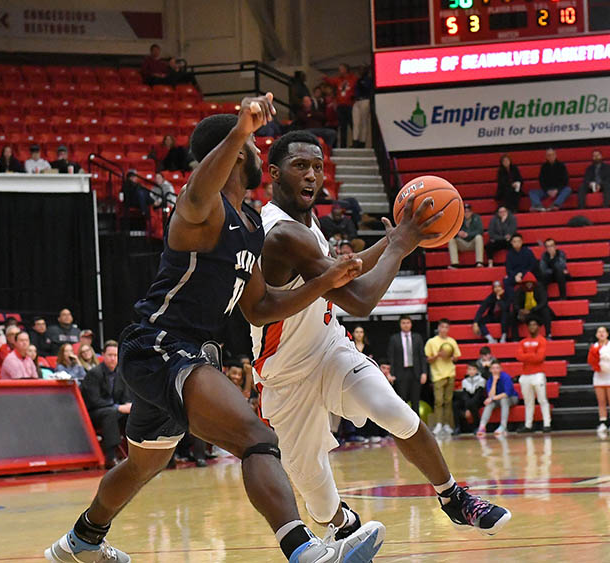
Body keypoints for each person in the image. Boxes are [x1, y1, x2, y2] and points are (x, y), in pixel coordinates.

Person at [45, 100, 379, 563]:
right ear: (239, 153)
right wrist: (242, 128)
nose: (262, 152)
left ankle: (80, 541)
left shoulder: (250, 226)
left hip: (183, 357)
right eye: (255, 146)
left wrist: (324, 282)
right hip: (160, 346)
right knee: (257, 439)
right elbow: (201, 187)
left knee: (144, 463)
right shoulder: (203, 209)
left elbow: (262, 308)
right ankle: (304, 551)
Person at [249, 128, 511, 542]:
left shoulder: (306, 223)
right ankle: (343, 525)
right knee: (317, 499)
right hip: (283, 374)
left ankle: (453, 497)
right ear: (274, 173)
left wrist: (392, 242)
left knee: (393, 410)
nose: (312, 176)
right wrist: (399, 247)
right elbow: (360, 301)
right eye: (300, 166)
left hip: (329, 347)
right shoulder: (281, 234)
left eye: (318, 167)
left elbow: (344, 270)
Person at [80, 341, 131, 467]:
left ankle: (135, 454)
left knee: (134, 414)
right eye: (110, 355)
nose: (113, 358)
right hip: (93, 412)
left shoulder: (121, 373)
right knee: (110, 413)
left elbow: (126, 397)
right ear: (102, 355)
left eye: (115, 355)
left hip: (113, 410)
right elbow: (94, 400)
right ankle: (111, 456)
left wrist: (129, 406)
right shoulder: (94, 373)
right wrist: (118, 407)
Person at [425, 319, 461, 436]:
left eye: (446, 327)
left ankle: (447, 424)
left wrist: (450, 356)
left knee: (448, 401)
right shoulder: (432, 342)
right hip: (437, 375)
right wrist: (438, 355)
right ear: (438, 328)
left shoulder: (452, 341)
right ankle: (438, 424)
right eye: (442, 327)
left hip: (450, 373)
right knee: (439, 401)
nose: (444, 329)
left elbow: (456, 357)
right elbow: (428, 359)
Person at [516, 318, 552, 432]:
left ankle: (547, 424)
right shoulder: (522, 342)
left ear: (538, 327)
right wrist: (532, 355)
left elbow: (540, 357)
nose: (532, 327)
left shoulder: (542, 340)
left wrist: (527, 355)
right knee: (528, 401)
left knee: (542, 399)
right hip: (525, 375)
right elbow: (518, 356)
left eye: (534, 324)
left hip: (538, 374)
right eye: (530, 325)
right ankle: (528, 425)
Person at [388, 316, 428, 413]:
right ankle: (404, 426)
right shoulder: (394, 339)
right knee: (402, 400)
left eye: (408, 323)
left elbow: (422, 356)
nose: (406, 325)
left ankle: (416, 427)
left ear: (411, 324)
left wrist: (424, 372)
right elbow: (391, 357)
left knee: (416, 401)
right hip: (401, 373)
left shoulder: (417, 337)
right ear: (400, 324)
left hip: (415, 372)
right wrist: (391, 374)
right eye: (403, 323)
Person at [588, 326, 610, 434]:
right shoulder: (594, 347)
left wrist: (609, 360)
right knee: (601, 402)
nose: (601, 333)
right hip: (599, 376)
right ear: (596, 335)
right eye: (599, 332)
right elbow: (590, 361)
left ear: (607, 334)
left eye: (603, 331)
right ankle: (603, 422)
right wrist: (598, 364)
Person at [476, 361, 520, 436]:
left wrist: (492, 398)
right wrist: (494, 382)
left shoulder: (506, 377)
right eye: (493, 368)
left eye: (497, 368)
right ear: (490, 370)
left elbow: (507, 394)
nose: (495, 370)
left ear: (501, 369)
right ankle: (482, 426)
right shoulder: (490, 380)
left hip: (512, 398)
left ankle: (503, 426)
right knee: (489, 404)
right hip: (496, 399)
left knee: (504, 400)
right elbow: (490, 395)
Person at [326, 64, 357, 148]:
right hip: (341, 106)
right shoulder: (338, 79)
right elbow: (331, 81)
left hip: (350, 105)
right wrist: (325, 78)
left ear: (346, 69)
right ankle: (343, 145)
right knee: (343, 127)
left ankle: (356, 143)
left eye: (341, 69)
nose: (340, 71)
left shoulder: (353, 79)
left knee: (353, 125)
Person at [515, 272, 553, 338]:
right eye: (527, 283)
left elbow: (544, 302)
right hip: (525, 313)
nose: (529, 285)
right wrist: (520, 310)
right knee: (512, 315)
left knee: (546, 311)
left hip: (537, 312)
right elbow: (515, 303)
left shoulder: (540, 288)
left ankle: (548, 334)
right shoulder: (520, 290)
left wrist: (532, 310)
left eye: (530, 283)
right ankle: (514, 337)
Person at [452, 364, 487, 435]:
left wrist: (468, 407)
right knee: (455, 404)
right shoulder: (465, 381)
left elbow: (478, 395)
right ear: (467, 371)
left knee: (472, 404)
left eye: (473, 369)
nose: (471, 371)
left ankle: (476, 426)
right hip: (468, 400)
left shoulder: (481, 380)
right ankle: (457, 427)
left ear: (477, 371)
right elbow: (465, 395)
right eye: (470, 369)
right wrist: (466, 408)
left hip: (478, 400)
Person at [447, 203, 483, 268]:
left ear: (471, 212)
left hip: (473, 243)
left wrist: (468, 234)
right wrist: (458, 233)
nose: (467, 213)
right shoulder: (459, 219)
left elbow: (480, 231)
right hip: (462, 243)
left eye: (468, 211)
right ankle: (455, 263)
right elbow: (452, 231)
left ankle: (479, 262)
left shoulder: (477, 218)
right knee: (451, 240)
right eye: (465, 211)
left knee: (479, 237)